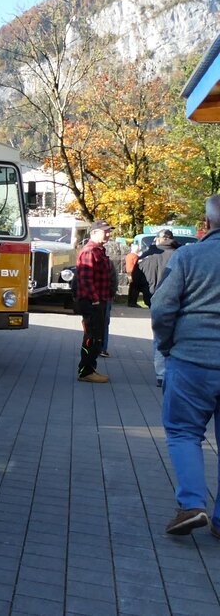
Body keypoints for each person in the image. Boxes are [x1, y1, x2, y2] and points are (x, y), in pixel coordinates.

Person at [153, 196, 220, 536]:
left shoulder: (188, 256)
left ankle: (193, 505)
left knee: (183, 432)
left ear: (206, 224)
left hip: (192, 361)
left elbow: (162, 307)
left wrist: (166, 346)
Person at [75, 220, 115, 383]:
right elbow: (86, 279)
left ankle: (90, 368)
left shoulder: (99, 250)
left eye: (109, 231)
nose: (108, 234)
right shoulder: (89, 251)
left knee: (96, 337)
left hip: (100, 301)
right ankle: (85, 372)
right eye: (105, 231)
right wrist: (95, 300)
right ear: (94, 233)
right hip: (92, 303)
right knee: (91, 337)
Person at [138, 230, 179, 386]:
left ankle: (161, 374)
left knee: (159, 336)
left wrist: (145, 292)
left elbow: (137, 276)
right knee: (176, 337)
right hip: (177, 300)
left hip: (155, 299)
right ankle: (172, 372)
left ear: (160, 239)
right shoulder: (180, 254)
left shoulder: (149, 255)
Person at [126, 242, 142, 307]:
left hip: (129, 272)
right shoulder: (135, 256)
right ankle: (133, 302)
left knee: (131, 287)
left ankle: (129, 301)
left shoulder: (128, 255)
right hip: (134, 273)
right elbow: (137, 264)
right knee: (135, 288)